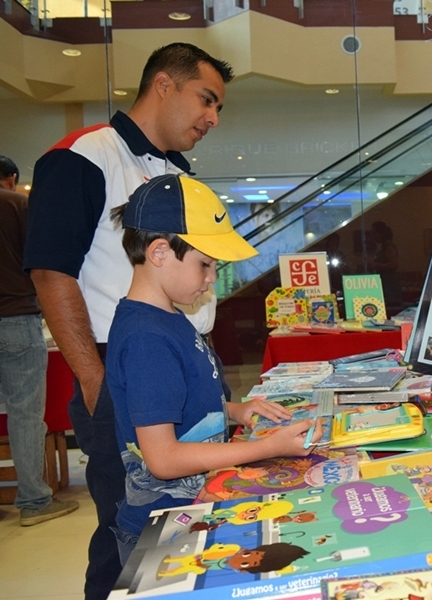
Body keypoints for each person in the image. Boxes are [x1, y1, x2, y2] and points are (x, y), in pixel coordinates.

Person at [23, 43, 234, 600]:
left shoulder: (173, 171)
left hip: (183, 362)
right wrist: (96, 387)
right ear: (163, 85)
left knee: (185, 529)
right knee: (128, 537)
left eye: (219, 108)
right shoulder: (86, 157)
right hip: (120, 370)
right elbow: (51, 273)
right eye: (206, 100)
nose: (212, 117)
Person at [106, 174, 322, 565]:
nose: (210, 279)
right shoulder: (146, 338)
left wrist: (236, 410)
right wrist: (266, 448)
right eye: (204, 265)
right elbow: (163, 458)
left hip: (195, 507)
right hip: (163, 528)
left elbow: (178, 405)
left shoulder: (168, 316)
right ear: (158, 252)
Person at [0, 156, 80, 526]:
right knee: (25, 413)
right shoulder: (17, 205)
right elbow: (43, 265)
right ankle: (33, 500)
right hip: (16, 317)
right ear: (11, 179)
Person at [369, 221, 402, 315]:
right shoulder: (382, 247)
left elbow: (394, 264)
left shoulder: (388, 246)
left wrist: (376, 265)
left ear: (381, 233)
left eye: (374, 233)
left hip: (389, 285)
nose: (372, 236)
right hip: (385, 284)